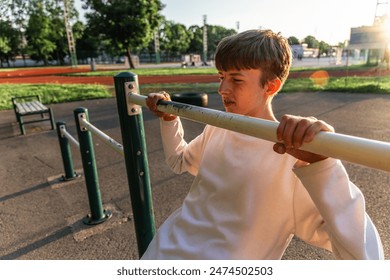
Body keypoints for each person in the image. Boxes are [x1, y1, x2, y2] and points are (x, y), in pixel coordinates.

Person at [142, 29, 384, 260]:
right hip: (160, 253)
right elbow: (179, 161)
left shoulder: (296, 158)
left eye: (236, 79)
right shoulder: (217, 127)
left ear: (271, 86)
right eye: (221, 77)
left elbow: (363, 255)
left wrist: (323, 165)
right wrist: (170, 119)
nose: (222, 88)